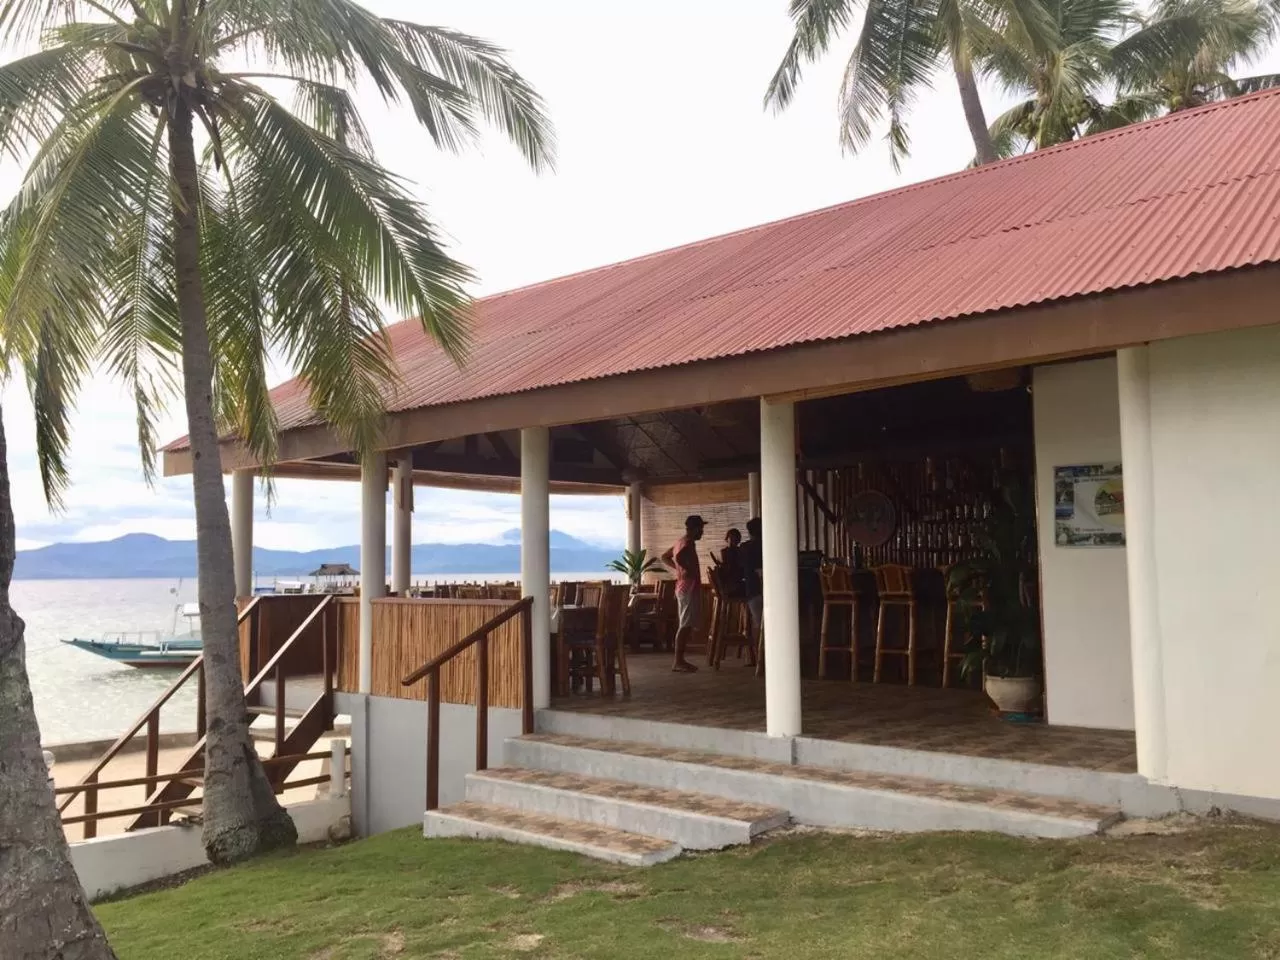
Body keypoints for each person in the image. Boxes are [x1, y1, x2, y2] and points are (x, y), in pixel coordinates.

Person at [661, 515, 705, 673]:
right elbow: (679, 557)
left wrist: (679, 569)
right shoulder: (687, 542)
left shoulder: (679, 542)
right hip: (687, 587)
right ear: (694, 529)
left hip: (682, 586)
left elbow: (665, 557)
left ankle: (680, 660)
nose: (702, 532)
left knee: (686, 624)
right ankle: (678, 661)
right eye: (701, 529)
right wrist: (686, 569)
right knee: (685, 624)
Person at [739, 517, 763, 657]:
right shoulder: (770, 545)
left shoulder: (745, 548)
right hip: (771, 590)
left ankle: (757, 656)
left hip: (752, 590)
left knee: (757, 623)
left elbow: (740, 568)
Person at [715, 528, 746, 599]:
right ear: (727, 539)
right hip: (731, 588)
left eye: (736, 538)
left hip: (727, 587)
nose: (733, 540)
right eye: (732, 538)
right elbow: (733, 571)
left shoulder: (737, 551)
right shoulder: (726, 552)